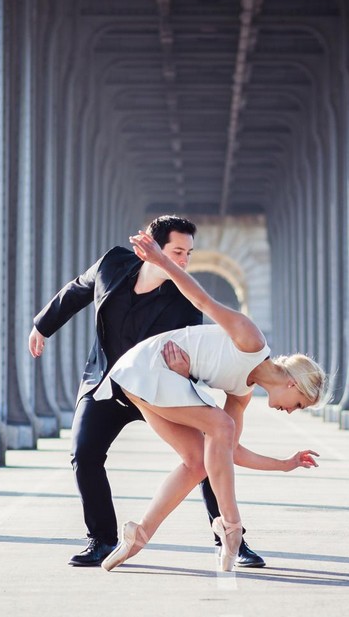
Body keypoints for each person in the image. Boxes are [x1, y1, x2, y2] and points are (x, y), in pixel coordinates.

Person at [28, 215, 267, 568]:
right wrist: (42, 326)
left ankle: (231, 539)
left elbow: (194, 353)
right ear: (150, 247)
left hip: (159, 391)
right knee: (84, 454)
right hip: (107, 382)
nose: (183, 262)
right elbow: (78, 289)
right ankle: (102, 540)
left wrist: (187, 372)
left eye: (188, 254)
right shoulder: (113, 264)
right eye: (177, 252)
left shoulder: (184, 300)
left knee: (204, 455)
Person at [97, 230, 327, 572]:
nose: (291, 411)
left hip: (151, 378)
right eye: (298, 404)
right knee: (220, 425)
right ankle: (231, 527)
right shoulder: (251, 340)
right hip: (147, 366)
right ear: (294, 383)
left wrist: (285, 463)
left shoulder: (241, 394)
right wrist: (161, 261)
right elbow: (203, 302)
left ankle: (139, 534)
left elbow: (229, 451)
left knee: (197, 461)